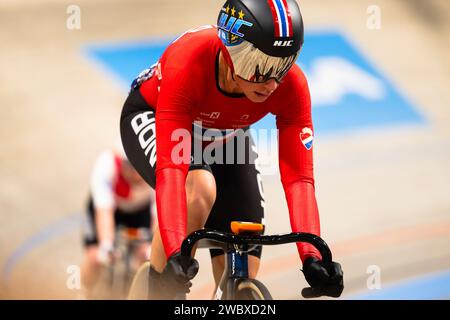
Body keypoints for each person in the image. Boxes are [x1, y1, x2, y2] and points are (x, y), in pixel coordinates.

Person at [120, 0, 343, 299]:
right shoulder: (188, 61)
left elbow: (298, 178)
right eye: (261, 65)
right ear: (232, 48)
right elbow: (172, 171)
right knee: (198, 188)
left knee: (245, 260)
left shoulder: (292, 87)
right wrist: (177, 252)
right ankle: (158, 288)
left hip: (226, 136)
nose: (272, 83)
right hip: (152, 114)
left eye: (283, 64)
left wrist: (313, 256)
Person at [80, 145, 156, 295]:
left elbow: (159, 214)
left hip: (140, 211)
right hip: (110, 208)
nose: (136, 177)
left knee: (147, 257)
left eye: (139, 170)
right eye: (130, 170)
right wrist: (106, 245)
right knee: (94, 257)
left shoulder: (154, 171)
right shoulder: (106, 165)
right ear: (122, 164)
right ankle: (83, 293)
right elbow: (104, 211)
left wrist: (151, 247)